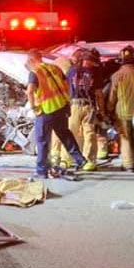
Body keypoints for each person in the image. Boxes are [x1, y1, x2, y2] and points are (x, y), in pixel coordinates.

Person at [25, 49, 86, 178]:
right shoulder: (55, 68)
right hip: (61, 107)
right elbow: (67, 85)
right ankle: (80, 159)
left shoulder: (34, 72)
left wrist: (33, 107)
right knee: (64, 133)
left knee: (42, 141)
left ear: (31, 60)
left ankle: (42, 171)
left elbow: (30, 91)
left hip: (46, 111)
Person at [106, 45, 134, 172]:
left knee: (125, 138)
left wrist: (109, 109)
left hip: (122, 113)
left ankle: (129, 165)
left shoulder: (117, 76)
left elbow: (112, 96)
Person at [63, 49, 103, 171]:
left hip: (84, 105)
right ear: (85, 60)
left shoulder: (72, 71)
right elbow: (99, 93)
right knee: (74, 133)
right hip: (79, 105)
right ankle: (68, 159)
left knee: (87, 133)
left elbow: (98, 93)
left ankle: (85, 160)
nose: (92, 63)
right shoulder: (75, 71)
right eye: (91, 61)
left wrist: (100, 109)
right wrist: (102, 110)